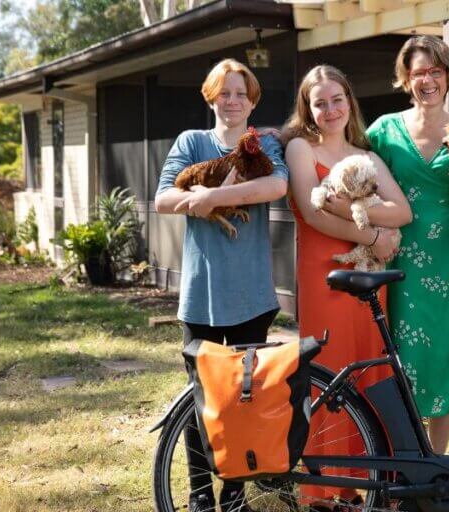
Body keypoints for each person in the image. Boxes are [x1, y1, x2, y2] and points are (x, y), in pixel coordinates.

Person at [154, 58, 289, 512]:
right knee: (202, 402)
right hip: (201, 295)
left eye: (241, 94)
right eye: (224, 93)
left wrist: (212, 199)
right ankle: (199, 496)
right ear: (211, 97)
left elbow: (276, 187)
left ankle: (234, 496)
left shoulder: (266, 143)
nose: (232, 101)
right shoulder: (191, 142)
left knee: (245, 403)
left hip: (252, 295)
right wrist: (199, 199)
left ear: (253, 101)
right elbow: (163, 198)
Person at [282, 64, 411, 508]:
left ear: (350, 102)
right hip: (324, 276)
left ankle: (371, 481)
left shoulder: (367, 155)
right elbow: (313, 212)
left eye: (338, 100)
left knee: (369, 369)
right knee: (329, 372)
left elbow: (403, 212)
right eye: (320, 102)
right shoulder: (300, 148)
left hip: (368, 280)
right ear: (308, 108)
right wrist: (375, 236)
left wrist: (365, 217)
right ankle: (326, 487)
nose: (330, 109)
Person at [366, 35, 449, 455]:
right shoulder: (384, 130)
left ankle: (436, 463)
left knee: (445, 355)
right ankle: (402, 456)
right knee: (402, 357)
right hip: (398, 256)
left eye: (434, 71)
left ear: (448, 76)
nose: (427, 80)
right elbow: (349, 168)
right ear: (406, 78)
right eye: (418, 72)